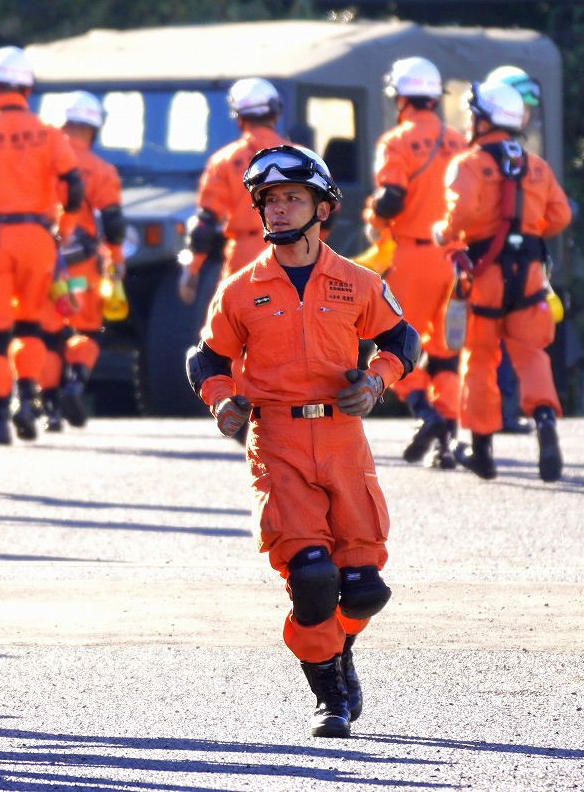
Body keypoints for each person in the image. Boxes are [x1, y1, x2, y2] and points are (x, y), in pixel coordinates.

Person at [185, 145, 418, 738]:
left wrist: (376, 380)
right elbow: (206, 358)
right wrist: (221, 401)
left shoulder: (358, 282)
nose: (279, 210)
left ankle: (338, 648)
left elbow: (403, 341)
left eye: (292, 198)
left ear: (322, 207)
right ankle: (330, 695)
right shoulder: (240, 290)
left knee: (363, 589)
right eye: (269, 200)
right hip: (278, 440)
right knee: (313, 576)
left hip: (344, 437)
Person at [436, 81, 572, 481]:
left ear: (484, 117)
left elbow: (460, 212)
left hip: (486, 274)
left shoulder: (468, 163)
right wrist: (530, 231)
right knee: (531, 352)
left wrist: (444, 233)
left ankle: (482, 452)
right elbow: (561, 216)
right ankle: (545, 421)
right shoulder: (537, 165)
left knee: (480, 357)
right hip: (529, 274)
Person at [0, 46, 84, 443]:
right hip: (38, 238)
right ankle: (27, 400)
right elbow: (74, 188)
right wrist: (64, 227)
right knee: (30, 325)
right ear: (28, 90)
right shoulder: (49, 133)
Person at [363, 57, 467, 468]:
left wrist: (374, 218)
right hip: (456, 259)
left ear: (401, 97)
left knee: (393, 343)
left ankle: (425, 413)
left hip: (414, 257)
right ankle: (446, 440)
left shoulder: (396, 141)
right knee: (445, 353)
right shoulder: (460, 140)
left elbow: (392, 197)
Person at [38, 91, 127, 430]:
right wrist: (116, 261)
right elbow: (114, 222)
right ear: (95, 127)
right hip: (82, 267)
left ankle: (49, 410)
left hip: (44, 259)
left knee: (48, 334)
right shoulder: (101, 170)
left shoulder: (44, 162)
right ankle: (75, 384)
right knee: (88, 329)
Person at [177, 77, 287, 305]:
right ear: (276, 113)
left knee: (235, 329)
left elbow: (205, 223)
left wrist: (193, 268)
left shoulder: (224, 161)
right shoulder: (300, 157)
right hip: (293, 252)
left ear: (239, 118)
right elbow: (330, 209)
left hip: (244, 257)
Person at [486, 65, 546, 434]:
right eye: (519, 103)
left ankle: (500, 411)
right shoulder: (489, 153)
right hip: (486, 258)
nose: (525, 112)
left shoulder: (509, 150)